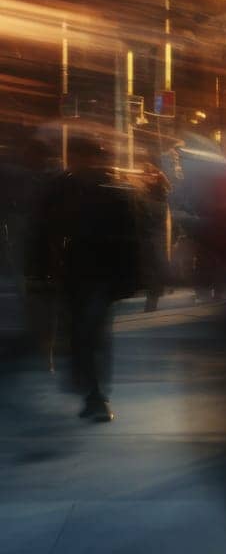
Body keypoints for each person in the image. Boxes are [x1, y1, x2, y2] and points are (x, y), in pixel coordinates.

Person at [34, 135, 144, 422]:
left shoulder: (109, 190)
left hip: (97, 274)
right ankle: (89, 387)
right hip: (76, 273)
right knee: (82, 332)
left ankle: (94, 393)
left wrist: (129, 276)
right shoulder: (66, 189)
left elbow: (129, 239)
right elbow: (44, 231)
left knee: (90, 331)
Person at [138, 160, 172, 312]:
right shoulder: (159, 193)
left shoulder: (153, 195)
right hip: (155, 237)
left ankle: (151, 302)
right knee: (154, 268)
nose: (142, 177)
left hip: (152, 237)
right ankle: (153, 299)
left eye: (145, 175)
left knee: (153, 268)